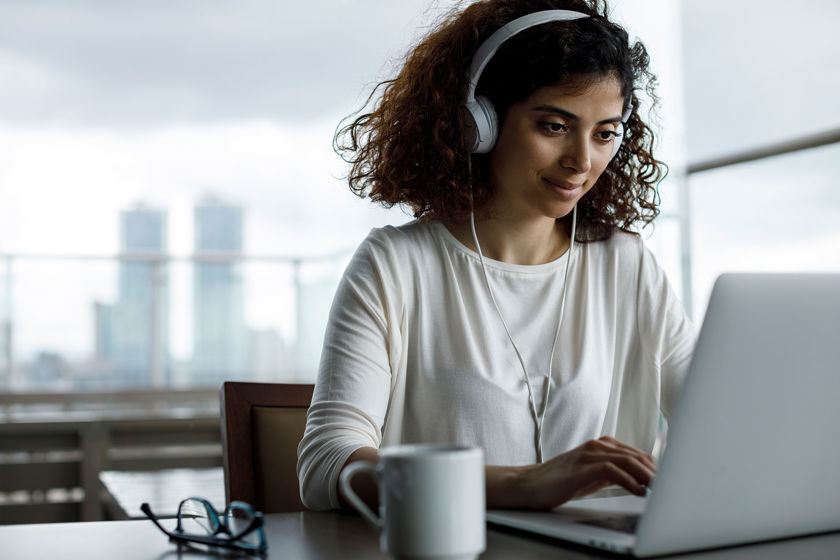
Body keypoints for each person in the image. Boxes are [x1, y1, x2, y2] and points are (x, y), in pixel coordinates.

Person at [297, 0, 695, 512]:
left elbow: (715, 424)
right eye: (554, 126)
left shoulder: (627, 265)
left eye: (605, 134)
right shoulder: (395, 264)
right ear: (476, 125)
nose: (581, 160)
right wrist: (522, 486)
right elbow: (326, 467)